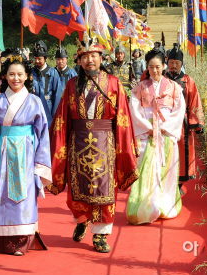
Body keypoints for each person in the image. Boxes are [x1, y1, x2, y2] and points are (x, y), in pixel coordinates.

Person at [48, 35, 139, 253]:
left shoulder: (115, 83)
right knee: (77, 187)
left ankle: (100, 234)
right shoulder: (71, 85)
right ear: (79, 61)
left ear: (101, 58)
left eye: (94, 56)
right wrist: (57, 145)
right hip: (76, 144)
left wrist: (124, 149)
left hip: (105, 145)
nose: (90, 60)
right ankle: (81, 219)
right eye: (85, 56)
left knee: (104, 190)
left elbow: (123, 119)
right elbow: (62, 118)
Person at [0, 48, 52, 256]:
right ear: (4, 76)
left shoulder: (34, 101)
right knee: (4, 195)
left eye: (20, 74)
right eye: (11, 74)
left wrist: (40, 165)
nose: (16, 78)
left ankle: (22, 241)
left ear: (27, 76)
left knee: (25, 196)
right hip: (4, 155)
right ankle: (3, 241)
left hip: (26, 155)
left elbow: (43, 135)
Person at [126, 48, 186, 225]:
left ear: (164, 66)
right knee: (145, 171)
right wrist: (149, 128)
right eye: (151, 67)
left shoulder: (174, 87)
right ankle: (146, 206)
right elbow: (135, 111)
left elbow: (179, 110)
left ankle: (165, 205)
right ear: (147, 67)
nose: (155, 71)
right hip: (147, 136)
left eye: (158, 67)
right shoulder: (139, 88)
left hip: (166, 134)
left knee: (167, 170)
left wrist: (163, 127)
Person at [164, 47, 204, 194]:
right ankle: (166, 181)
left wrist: (197, 123)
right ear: (167, 63)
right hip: (165, 123)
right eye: (171, 62)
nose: (174, 66)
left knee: (182, 152)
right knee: (165, 151)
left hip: (182, 124)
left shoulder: (188, 81)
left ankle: (179, 183)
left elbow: (195, 102)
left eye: (177, 63)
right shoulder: (162, 79)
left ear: (181, 64)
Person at [32, 40, 63, 126]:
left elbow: (57, 95)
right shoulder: (30, 72)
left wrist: (54, 116)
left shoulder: (53, 73)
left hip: (48, 112)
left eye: (39, 59)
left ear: (46, 58)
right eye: (35, 59)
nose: (37, 61)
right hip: (32, 111)